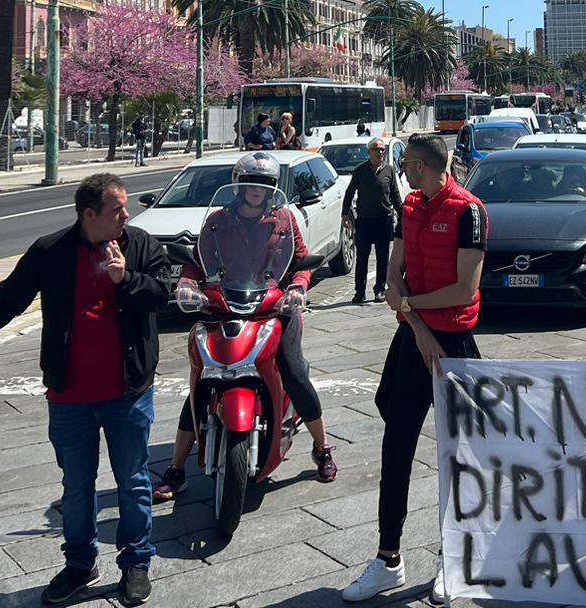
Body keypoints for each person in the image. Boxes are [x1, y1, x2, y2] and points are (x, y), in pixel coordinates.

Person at [0, 174, 172, 608]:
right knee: (76, 484)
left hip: (128, 391)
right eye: (117, 209)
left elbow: (162, 294)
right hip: (70, 395)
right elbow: (7, 298)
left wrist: (127, 279)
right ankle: (81, 563)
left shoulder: (141, 245)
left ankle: (136, 562)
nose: (126, 215)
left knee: (133, 482)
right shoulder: (51, 251)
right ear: (89, 215)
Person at [343, 133, 486, 606]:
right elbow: (391, 278)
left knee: (461, 454)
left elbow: (464, 290)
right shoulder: (409, 209)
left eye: (405, 163)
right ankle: (389, 559)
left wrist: (409, 306)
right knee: (396, 445)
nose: (401, 171)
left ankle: (456, 556)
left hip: (455, 344)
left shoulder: (470, 212)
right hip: (415, 339)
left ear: (420, 166)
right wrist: (417, 325)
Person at [154, 152, 336, 500]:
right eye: (251, 184)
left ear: (272, 188)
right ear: (238, 186)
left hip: (273, 306)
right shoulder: (218, 221)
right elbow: (197, 261)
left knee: (294, 372)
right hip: (223, 304)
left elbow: (301, 260)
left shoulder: (283, 219)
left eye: (265, 184)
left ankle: (322, 446)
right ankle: (177, 467)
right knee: (204, 376)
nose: (257, 190)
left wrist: (297, 287)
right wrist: (188, 285)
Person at [344, 137, 400, 304]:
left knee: (383, 258)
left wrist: (404, 214)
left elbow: (395, 195)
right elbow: (349, 193)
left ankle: (380, 290)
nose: (381, 152)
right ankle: (359, 292)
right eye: (377, 149)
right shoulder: (360, 170)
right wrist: (345, 214)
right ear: (369, 152)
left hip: (384, 220)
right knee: (362, 258)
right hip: (364, 221)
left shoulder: (389, 170)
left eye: (383, 149)